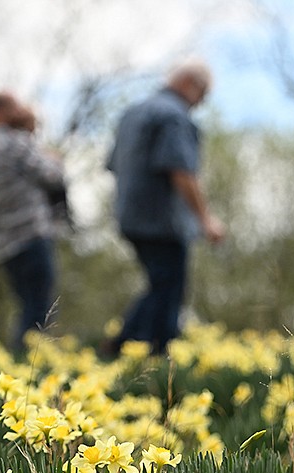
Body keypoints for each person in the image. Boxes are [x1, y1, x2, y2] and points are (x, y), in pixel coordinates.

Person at [104, 60, 225, 356]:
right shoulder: (173, 116)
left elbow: (112, 165)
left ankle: (127, 347)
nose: (200, 104)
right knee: (169, 288)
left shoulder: (131, 113)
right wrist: (206, 219)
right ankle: (144, 351)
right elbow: (181, 171)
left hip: (129, 215)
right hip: (163, 220)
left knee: (160, 283)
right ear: (189, 84)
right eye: (203, 95)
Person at [0, 91, 67, 352]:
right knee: (39, 306)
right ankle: (29, 363)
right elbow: (53, 176)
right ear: (2, 112)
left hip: (6, 242)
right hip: (32, 233)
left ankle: (21, 359)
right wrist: (54, 158)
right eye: (16, 106)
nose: (22, 111)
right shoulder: (16, 143)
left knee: (27, 303)